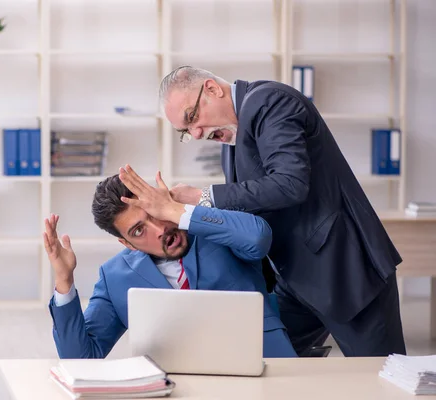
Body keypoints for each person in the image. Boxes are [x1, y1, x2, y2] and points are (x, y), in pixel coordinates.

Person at [159, 65, 406, 357]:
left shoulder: (269, 101)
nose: (196, 133)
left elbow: (290, 184)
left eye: (192, 117)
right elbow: (252, 208)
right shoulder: (231, 139)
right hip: (295, 280)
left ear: (212, 89)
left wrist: (203, 196)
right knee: (258, 360)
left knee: (382, 380)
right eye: (186, 131)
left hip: (345, 273)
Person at [45, 165, 298, 359]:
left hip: (266, 371)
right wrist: (64, 280)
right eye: (138, 231)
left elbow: (258, 238)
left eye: (153, 213)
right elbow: (80, 358)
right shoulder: (115, 278)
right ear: (128, 244)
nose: (158, 229)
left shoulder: (215, 231)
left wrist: (176, 210)